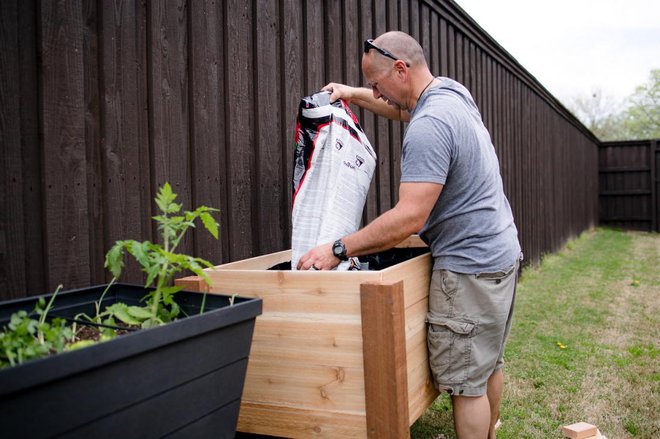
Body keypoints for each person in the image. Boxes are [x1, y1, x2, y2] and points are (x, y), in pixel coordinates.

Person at [296, 31, 521, 438]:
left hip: (470, 267)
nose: (375, 92)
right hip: (502, 252)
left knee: (465, 384)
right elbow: (403, 110)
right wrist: (353, 94)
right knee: (488, 362)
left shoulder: (429, 126)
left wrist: (338, 248)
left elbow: (408, 219)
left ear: (401, 69)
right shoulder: (450, 94)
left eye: (377, 84)